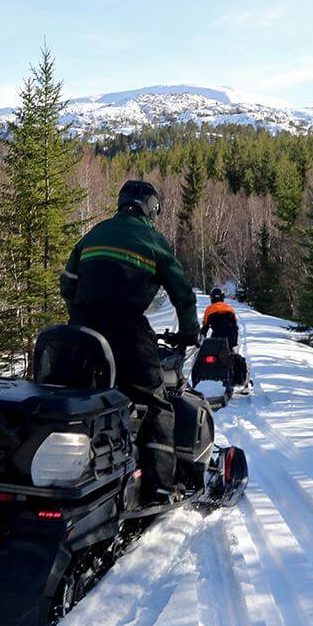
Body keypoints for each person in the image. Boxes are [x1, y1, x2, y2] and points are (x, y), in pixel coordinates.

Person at [60, 180, 200, 503]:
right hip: (128, 332)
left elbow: (67, 283)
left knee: (81, 401)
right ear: (152, 209)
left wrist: (80, 314)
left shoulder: (93, 234)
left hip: (80, 336)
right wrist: (190, 333)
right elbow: (183, 294)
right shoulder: (153, 240)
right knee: (156, 404)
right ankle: (160, 488)